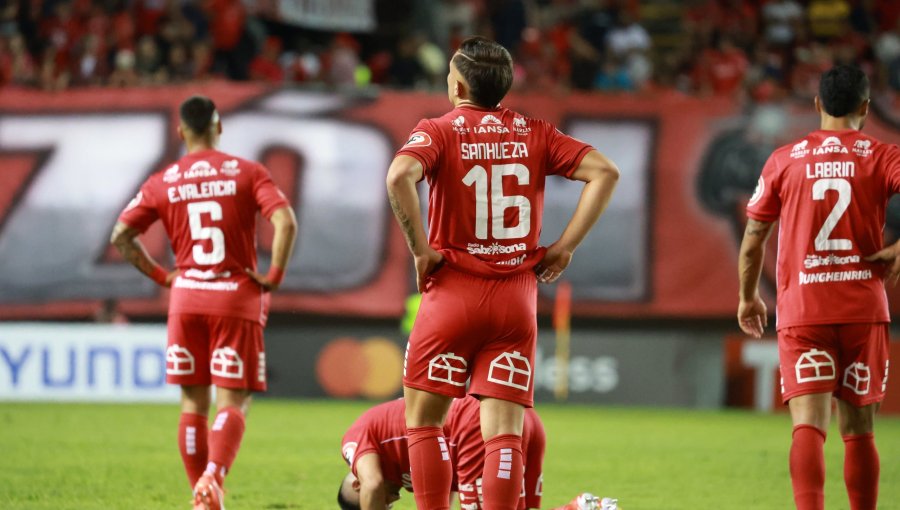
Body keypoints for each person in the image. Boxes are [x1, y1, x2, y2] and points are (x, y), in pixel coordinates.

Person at [385, 35, 620, 510]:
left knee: (425, 422)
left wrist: (420, 249)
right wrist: (564, 247)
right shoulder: (535, 131)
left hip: (452, 292)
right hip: (516, 299)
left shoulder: (439, 130)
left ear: (456, 86)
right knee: (504, 434)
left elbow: (398, 178)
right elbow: (605, 172)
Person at [110, 95, 297, 510]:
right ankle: (212, 478)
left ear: (181, 131)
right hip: (235, 299)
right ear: (219, 128)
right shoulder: (247, 172)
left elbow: (121, 235)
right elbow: (284, 220)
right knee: (234, 400)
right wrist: (274, 276)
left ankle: (201, 498)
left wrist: (164, 276)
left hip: (186, 299)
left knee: (192, 403)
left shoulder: (164, 180)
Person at [738, 65, 894, 510]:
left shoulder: (784, 160)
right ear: (865, 107)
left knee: (808, 426)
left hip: (804, 310)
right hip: (864, 309)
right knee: (859, 429)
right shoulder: (882, 156)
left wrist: (749, 296)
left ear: (817, 104)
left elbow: (753, 242)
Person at [337, 396, 616, 510]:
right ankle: (582, 507)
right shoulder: (403, 472)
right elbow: (440, 489)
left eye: (383, 504)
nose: (390, 502)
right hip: (516, 419)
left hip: (475, 425)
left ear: (356, 484)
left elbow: (373, 484)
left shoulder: (355, 443)